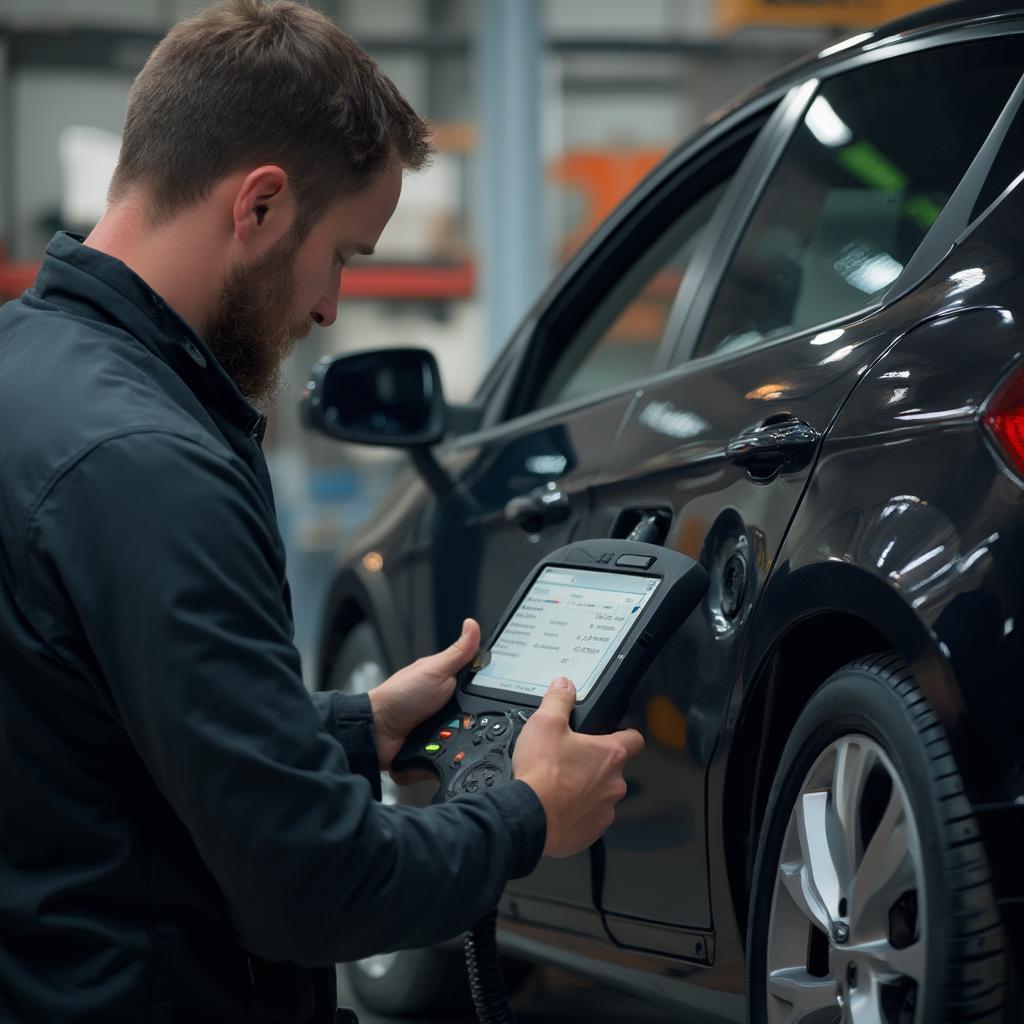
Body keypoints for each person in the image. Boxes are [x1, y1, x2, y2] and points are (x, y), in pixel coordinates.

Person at [0, 2, 644, 1021]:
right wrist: (527, 814)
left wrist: (352, 726)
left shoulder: (23, 369)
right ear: (258, 204)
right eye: (344, 255)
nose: (332, 307)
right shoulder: (152, 463)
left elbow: (89, 721)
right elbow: (313, 886)